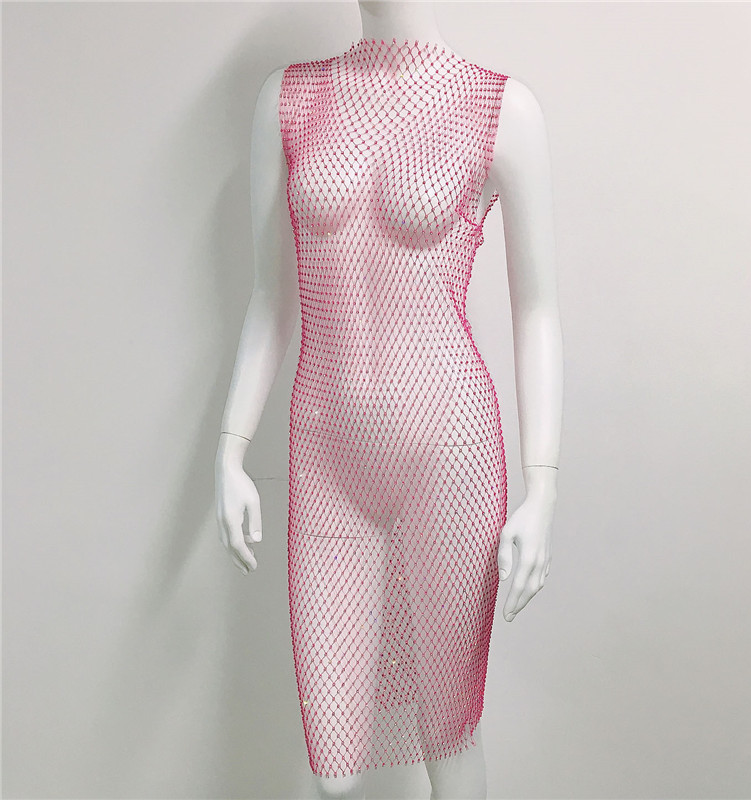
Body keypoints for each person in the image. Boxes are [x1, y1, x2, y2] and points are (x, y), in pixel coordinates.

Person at [215, 3, 563, 798]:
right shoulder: (289, 98)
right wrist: (230, 449)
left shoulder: (501, 109)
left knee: (450, 734)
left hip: (449, 453)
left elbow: (538, 312)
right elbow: (270, 298)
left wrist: (544, 486)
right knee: (333, 772)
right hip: (326, 450)